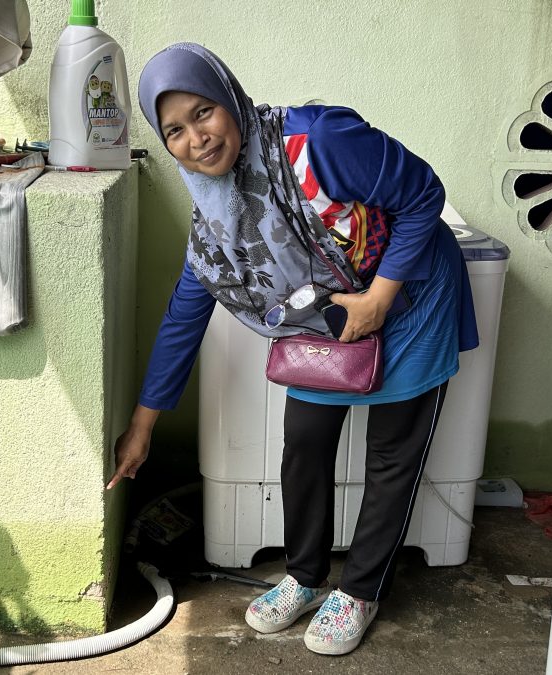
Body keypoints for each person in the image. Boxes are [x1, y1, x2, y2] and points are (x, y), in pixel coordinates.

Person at [106, 43, 478, 656]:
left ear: (230, 99)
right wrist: (143, 427)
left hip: (411, 294)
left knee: (392, 457)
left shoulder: (316, 142)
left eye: (204, 112)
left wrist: (381, 297)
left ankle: (360, 589)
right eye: (174, 130)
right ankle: (305, 577)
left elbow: (423, 196)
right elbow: (184, 316)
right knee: (304, 445)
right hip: (327, 320)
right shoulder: (213, 221)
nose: (196, 138)